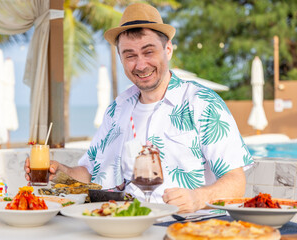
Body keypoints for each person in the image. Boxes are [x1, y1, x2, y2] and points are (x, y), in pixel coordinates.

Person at [25, 2, 253, 213]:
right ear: (121, 58)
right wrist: (59, 171)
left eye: (148, 51)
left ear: (168, 49)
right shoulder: (117, 109)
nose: (141, 64)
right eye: (130, 55)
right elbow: (88, 174)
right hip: (123, 224)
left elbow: (236, 181)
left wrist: (197, 198)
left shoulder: (202, 102)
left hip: (185, 227)